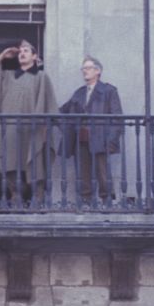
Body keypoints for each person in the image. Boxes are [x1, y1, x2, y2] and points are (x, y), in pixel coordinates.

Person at [0, 40, 58, 204]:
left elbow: (49, 104)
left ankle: (38, 197)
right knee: (9, 163)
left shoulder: (42, 77)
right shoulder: (7, 76)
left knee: (35, 162)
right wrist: (2, 56)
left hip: (33, 129)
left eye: (26, 50)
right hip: (11, 129)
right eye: (20, 51)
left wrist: (43, 126)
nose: (22, 53)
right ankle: (16, 196)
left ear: (35, 56)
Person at [59, 56, 123, 206]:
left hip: (101, 138)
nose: (84, 71)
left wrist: (111, 141)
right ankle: (85, 202)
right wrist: (67, 130)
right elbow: (62, 112)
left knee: (103, 171)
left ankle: (107, 202)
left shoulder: (109, 91)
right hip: (80, 138)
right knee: (82, 172)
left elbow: (117, 118)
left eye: (87, 68)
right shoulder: (79, 93)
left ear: (98, 71)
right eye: (83, 69)